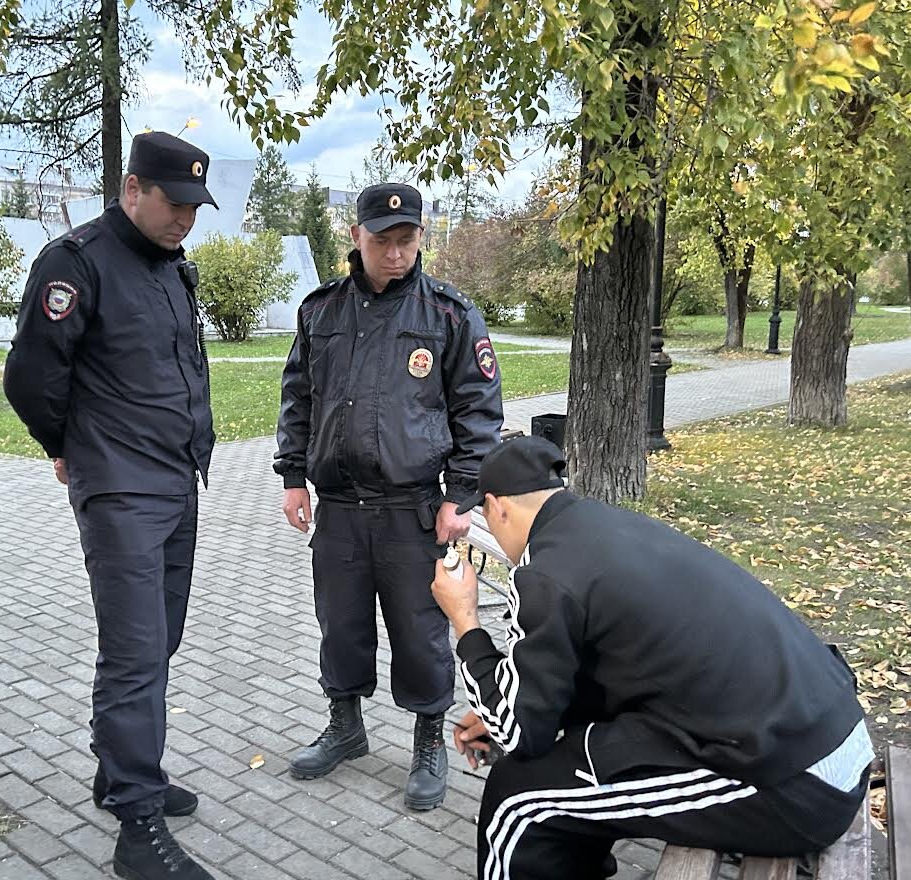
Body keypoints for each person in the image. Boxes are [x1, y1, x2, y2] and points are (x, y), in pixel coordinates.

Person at [430, 435, 874, 880]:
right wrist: (509, 707)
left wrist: (465, 620)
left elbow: (519, 734)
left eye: (483, 511)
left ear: (498, 507)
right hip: (813, 729)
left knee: (518, 801)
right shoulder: (602, 526)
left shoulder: (544, 574)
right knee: (568, 762)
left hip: (797, 784)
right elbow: (574, 680)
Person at [4, 131, 216, 880]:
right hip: (121, 487)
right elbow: (31, 373)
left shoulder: (170, 267)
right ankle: (136, 823)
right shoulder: (77, 260)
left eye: (196, 204)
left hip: (175, 480)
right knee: (134, 655)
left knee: (156, 641)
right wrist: (68, 445)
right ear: (132, 189)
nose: (186, 217)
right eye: (174, 201)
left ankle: (117, 770)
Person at [274, 182, 504, 810]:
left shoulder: (449, 316)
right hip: (341, 508)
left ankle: (430, 739)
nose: (395, 253)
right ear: (356, 238)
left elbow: (478, 414)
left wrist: (461, 495)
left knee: (421, 632)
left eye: (407, 240)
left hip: (414, 510)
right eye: (382, 241)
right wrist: (293, 475)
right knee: (339, 627)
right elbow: (300, 396)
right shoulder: (320, 311)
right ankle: (346, 726)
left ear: (421, 238)